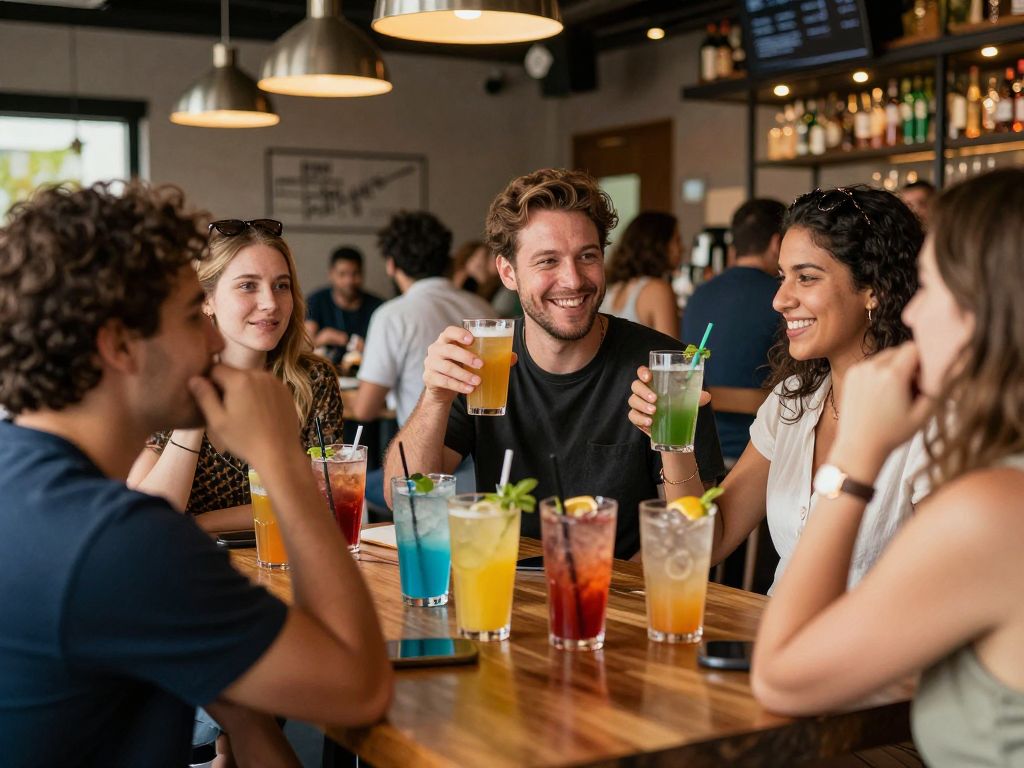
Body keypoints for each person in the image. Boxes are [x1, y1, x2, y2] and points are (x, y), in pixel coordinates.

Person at [0, 182, 392, 767]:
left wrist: (242, 714)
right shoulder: (121, 542)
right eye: (192, 315)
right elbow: (359, 688)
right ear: (119, 345)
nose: (213, 339)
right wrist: (283, 464)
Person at [752, 169, 1024, 768]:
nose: (915, 311)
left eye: (931, 286)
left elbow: (781, 677)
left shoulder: (995, 508)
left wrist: (857, 455)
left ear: (989, 309)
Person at [383, 169, 725, 559]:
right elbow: (405, 499)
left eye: (587, 256)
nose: (573, 280)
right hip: (504, 581)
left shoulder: (667, 370)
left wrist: (672, 443)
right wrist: (435, 398)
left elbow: (693, 543)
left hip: (619, 588)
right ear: (508, 272)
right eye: (548, 261)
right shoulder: (483, 362)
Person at [629, 186, 926, 590]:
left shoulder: (930, 420)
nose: (780, 300)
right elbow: (702, 547)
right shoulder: (793, 400)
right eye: (783, 277)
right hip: (774, 627)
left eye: (806, 277)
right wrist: (673, 442)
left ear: (875, 288)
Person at [128, 218, 345, 534]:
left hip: (282, 562)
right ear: (206, 299)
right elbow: (146, 516)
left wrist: (196, 525)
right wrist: (197, 406)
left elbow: (325, 499)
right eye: (248, 285)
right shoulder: (171, 383)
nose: (270, 303)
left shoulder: (313, 380)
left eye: (281, 285)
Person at [348, 212, 492, 427]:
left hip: (424, 444)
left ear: (391, 265)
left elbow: (365, 409)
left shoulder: (392, 316)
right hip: (485, 444)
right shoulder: (485, 309)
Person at [683, 198, 787, 464]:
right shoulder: (784, 299)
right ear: (777, 243)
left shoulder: (698, 295)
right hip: (758, 456)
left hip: (699, 451)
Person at [599, 211, 682, 338]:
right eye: (677, 240)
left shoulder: (614, 288)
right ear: (659, 244)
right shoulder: (658, 290)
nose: (682, 248)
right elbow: (671, 349)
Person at [304, 245, 384, 365]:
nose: (349, 281)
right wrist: (322, 338)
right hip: (324, 372)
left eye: (355, 274)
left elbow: (386, 352)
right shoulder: (316, 301)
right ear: (331, 274)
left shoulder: (378, 307)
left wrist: (368, 349)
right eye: (342, 274)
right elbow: (303, 346)